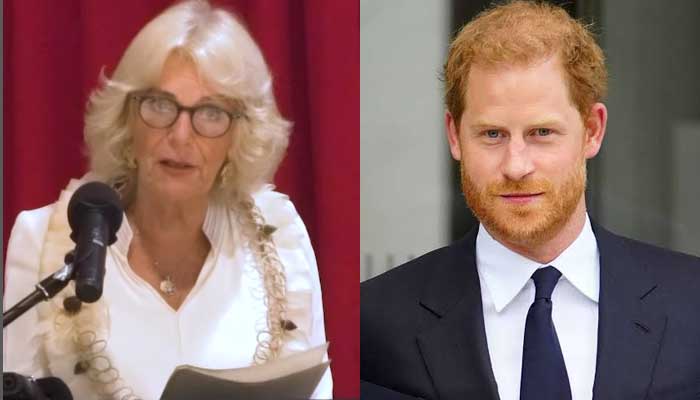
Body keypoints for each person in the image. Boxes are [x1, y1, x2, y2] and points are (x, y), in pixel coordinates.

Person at [360, 1, 700, 399]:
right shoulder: (373, 323)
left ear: (592, 130)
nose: (516, 166)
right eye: (492, 134)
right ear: (454, 135)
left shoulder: (691, 305)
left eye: (541, 132)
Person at [3, 1, 332, 398]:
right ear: (127, 118)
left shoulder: (281, 239)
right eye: (160, 105)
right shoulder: (41, 242)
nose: (180, 135)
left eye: (210, 113)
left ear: (238, 135)